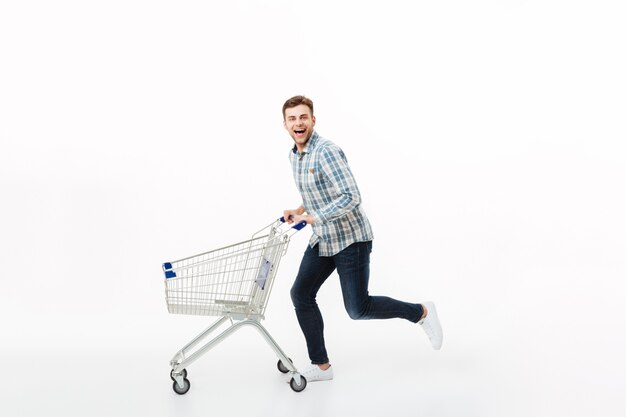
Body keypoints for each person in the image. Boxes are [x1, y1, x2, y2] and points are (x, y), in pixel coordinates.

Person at [282, 95, 443, 383]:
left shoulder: (326, 151)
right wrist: (300, 210)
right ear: (285, 124)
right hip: (323, 238)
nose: (298, 123)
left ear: (313, 120)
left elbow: (351, 197)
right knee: (301, 294)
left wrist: (314, 218)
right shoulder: (294, 155)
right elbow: (316, 192)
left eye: (303, 117)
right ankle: (321, 366)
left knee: (358, 309)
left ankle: (421, 312)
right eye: (292, 118)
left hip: (350, 239)